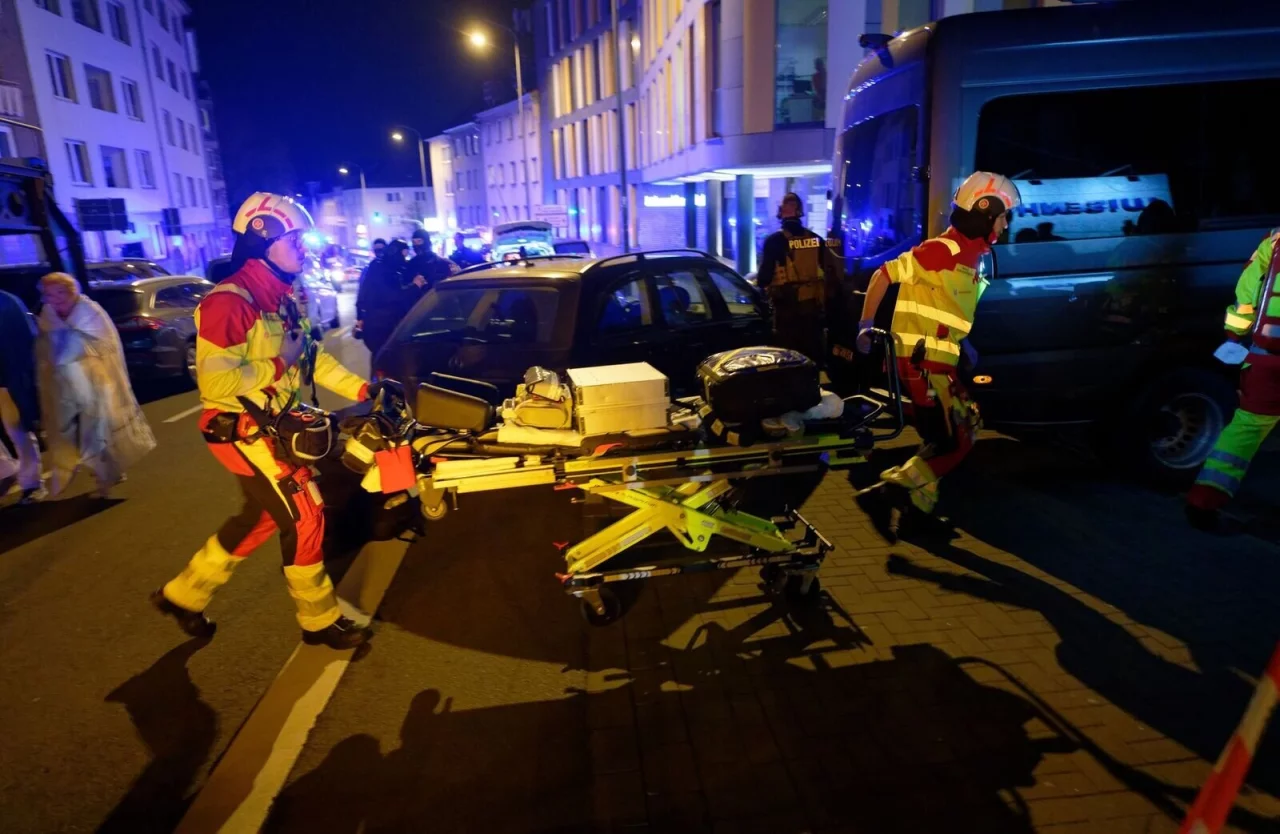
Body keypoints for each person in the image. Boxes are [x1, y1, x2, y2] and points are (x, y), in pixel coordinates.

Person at [152, 192, 374, 650]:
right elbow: (216, 382)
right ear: (262, 240)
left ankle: (182, 596)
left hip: (270, 425)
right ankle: (318, 620)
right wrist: (279, 362)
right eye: (293, 240)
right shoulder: (229, 302)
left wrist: (363, 390)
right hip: (239, 428)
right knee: (305, 513)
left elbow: (311, 358)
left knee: (261, 519)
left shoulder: (282, 296)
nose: (303, 248)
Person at [855, 171, 1022, 517]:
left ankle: (918, 507)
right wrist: (865, 326)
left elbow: (948, 310)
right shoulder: (941, 250)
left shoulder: (970, 258)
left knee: (947, 435)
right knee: (958, 438)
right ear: (985, 210)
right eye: (1003, 216)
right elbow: (882, 275)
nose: (1006, 224)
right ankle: (889, 492)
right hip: (923, 364)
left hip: (936, 363)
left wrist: (966, 344)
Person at [1186, 229, 1280, 532]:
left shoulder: (1274, 241)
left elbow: (1247, 293)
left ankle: (1203, 501)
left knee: (1245, 429)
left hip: (1266, 357)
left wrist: (1235, 336)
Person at [35, 272, 155, 498]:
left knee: (98, 430)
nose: (55, 298)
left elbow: (105, 345)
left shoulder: (90, 311)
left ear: (71, 291)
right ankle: (103, 470)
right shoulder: (48, 314)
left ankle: (104, 479)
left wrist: (73, 351)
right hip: (66, 385)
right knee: (75, 431)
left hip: (97, 381)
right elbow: (45, 349)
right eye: (49, 294)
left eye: (60, 292)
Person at [756, 192, 843, 365]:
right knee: (811, 359)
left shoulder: (774, 241)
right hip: (812, 311)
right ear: (800, 211)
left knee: (787, 361)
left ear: (781, 212)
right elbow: (832, 272)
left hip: (786, 312)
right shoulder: (815, 240)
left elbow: (763, 279)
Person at [0, 290, 44, 503]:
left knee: (17, 431)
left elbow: (27, 340)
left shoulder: (7, 302)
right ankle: (6, 471)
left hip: (7, 380)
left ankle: (32, 483)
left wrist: (22, 378)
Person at [355, 238, 412, 363]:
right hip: (381, 325)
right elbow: (391, 295)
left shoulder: (392, 268)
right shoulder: (381, 269)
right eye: (377, 250)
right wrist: (360, 317)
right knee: (384, 359)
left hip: (380, 324)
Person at [405, 229, 458, 298]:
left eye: (419, 241)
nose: (416, 245)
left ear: (426, 242)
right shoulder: (410, 265)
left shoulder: (443, 263)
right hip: (420, 301)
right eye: (414, 242)